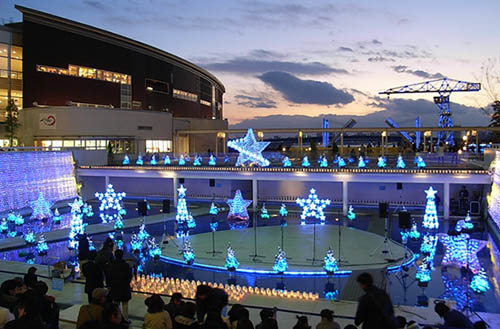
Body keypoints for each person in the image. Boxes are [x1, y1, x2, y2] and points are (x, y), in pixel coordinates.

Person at [108, 250, 132, 321]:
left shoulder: (112, 265)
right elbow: (129, 276)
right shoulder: (126, 265)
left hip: (115, 287)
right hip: (124, 288)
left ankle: (115, 319)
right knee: (125, 305)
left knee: (115, 305)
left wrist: (109, 285)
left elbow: (109, 276)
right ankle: (125, 320)